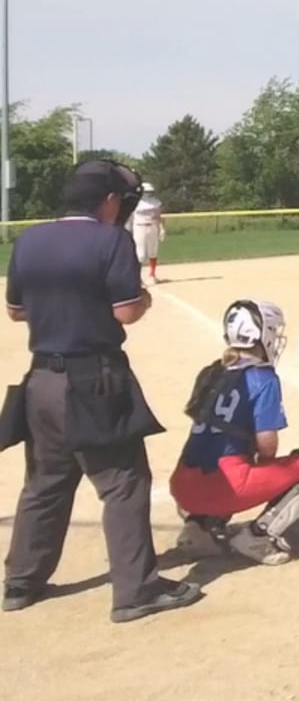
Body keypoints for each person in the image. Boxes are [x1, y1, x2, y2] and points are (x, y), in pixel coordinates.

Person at [0, 160, 202, 623]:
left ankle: (21, 582)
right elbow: (126, 311)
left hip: (41, 380)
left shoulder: (30, 239)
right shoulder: (110, 240)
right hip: (95, 378)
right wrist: (143, 299)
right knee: (124, 482)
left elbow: (16, 311)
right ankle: (136, 591)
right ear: (108, 201)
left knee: (46, 482)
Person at [170, 300, 299, 566]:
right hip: (225, 485)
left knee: (230, 450)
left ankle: (199, 528)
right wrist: (271, 470)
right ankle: (258, 536)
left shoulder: (211, 372)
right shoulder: (264, 378)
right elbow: (267, 443)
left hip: (182, 485)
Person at [128, 182, 165, 283]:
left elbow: (158, 216)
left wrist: (162, 228)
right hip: (140, 227)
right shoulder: (135, 203)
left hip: (152, 226)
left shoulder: (155, 202)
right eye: (146, 192)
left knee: (153, 251)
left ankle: (152, 274)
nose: (147, 194)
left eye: (149, 192)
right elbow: (131, 218)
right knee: (140, 254)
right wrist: (129, 229)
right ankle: (137, 277)